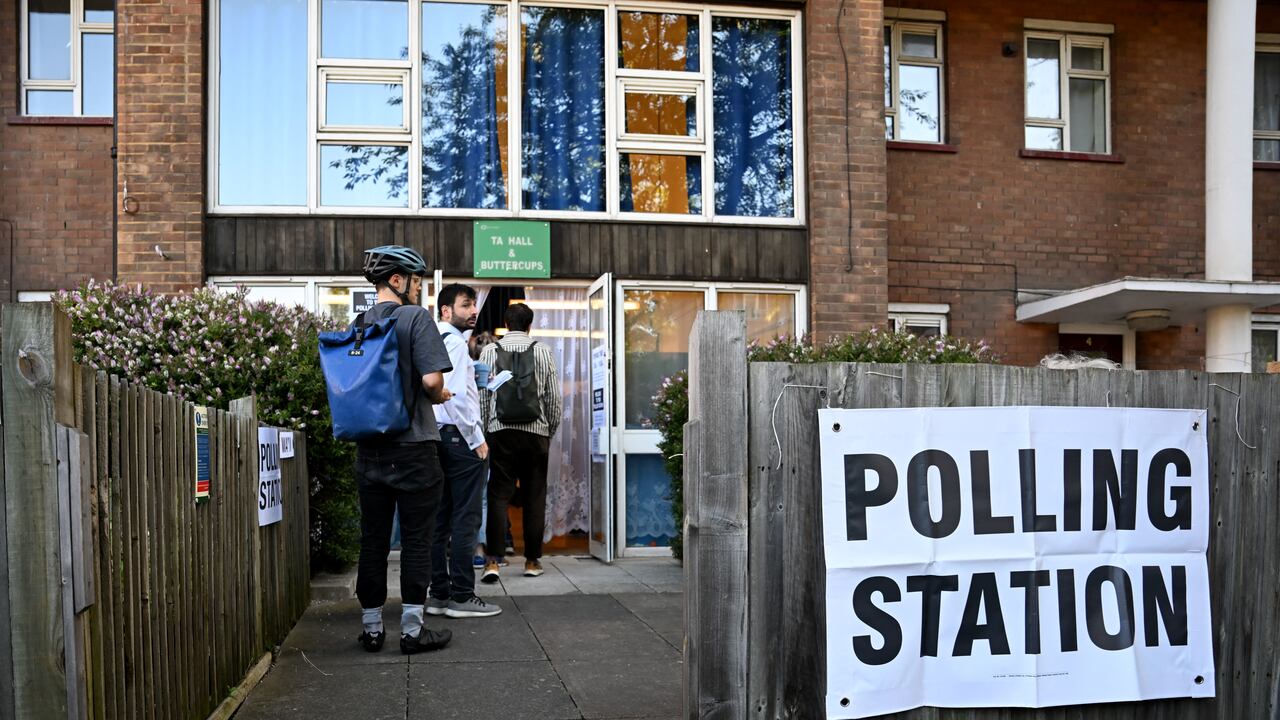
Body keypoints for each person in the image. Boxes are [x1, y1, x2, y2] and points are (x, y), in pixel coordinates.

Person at [353, 245, 455, 655]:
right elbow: (431, 381)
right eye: (416, 280)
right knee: (417, 539)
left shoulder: (359, 323)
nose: (418, 288)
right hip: (414, 448)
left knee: (373, 539)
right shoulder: (416, 318)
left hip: (370, 450)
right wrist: (442, 393)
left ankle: (373, 628)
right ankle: (412, 631)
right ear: (397, 280)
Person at [426, 284, 501, 618]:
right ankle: (462, 595)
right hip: (459, 437)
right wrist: (477, 439)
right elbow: (452, 396)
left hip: (436, 437)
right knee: (466, 517)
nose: (473, 311)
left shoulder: (431, 342)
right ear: (446, 311)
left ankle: (439, 595)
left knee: (440, 518)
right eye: (466, 305)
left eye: (474, 305)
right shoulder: (455, 343)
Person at [479, 303, 562, 583]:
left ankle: (493, 561)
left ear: (506, 323)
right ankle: (532, 560)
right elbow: (552, 397)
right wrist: (548, 430)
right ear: (530, 326)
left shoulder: (489, 351)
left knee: (498, 495)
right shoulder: (543, 351)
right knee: (534, 496)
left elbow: (483, 395)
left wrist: (485, 430)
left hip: (500, 431)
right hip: (535, 432)